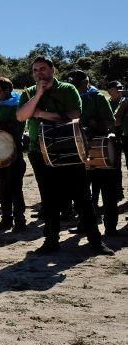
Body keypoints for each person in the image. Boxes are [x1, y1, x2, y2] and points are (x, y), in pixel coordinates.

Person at [16, 57, 113, 255]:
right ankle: (51, 241)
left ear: (53, 69)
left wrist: (42, 114)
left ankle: (95, 241)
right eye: (35, 70)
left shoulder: (68, 89)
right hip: (40, 151)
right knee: (49, 199)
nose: (39, 73)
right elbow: (21, 116)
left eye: (42, 69)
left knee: (82, 197)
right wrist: (39, 94)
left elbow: (75, 114)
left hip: (71, 150)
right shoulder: (28, 93)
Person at [69, 70, 121, 237]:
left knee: (108, 193)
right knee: (82, 193)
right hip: (82, 152)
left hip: (102, 149)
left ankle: (110, 228)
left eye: (79, 85)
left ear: (87, 82)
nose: (77, 88)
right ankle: (85, 224)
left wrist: (95, 124)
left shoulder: (97, 97)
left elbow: (110, 124)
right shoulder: (72, 98)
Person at [0, 78, 28, 232]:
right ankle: (6, 220)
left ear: (7, 90)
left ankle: (20, 221)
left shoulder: (17, 105)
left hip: (13, 152)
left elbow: (16, 126)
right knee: (3, 188)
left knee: (15, 188)